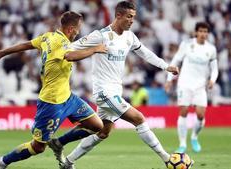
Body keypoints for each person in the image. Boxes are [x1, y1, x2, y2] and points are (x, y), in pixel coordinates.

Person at [48, 1, 184, 169]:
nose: (132, 20)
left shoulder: (129, 37)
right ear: (118, 15)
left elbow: (145, 53)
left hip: (115, 91)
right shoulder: (100, 35)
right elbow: (70, 48)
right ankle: (168, 160)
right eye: (129, 17)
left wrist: (166, 66)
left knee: (103, 132)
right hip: (104, 92)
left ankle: (67, 161)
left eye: (133, 17)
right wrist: (90, 50)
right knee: (139, 119)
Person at [0, 11, 107, 169]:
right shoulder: (59, 43)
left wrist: (3, 52)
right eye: (77, 29)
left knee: (97, 126)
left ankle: (58, 143)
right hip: (51, 102)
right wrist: (94, 49)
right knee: (38, 147)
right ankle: (2, 162)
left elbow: (27, 44)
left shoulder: (47, 37)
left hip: (68, 97)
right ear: (70, 29)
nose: (78, 32)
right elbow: (70, 57)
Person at [164, 22, 219, 153]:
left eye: (205, 32)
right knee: (183, 111)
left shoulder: (211, 49)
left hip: (200, 86)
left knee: (200, 115)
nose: (203, 34)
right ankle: (182, 144)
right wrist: (169, 79)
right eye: (201, 31)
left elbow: (215, 69)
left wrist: (212, 80)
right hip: (185, 84)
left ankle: (194, 137)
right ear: (196, 32)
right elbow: (176, 60)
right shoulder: (187, 44)